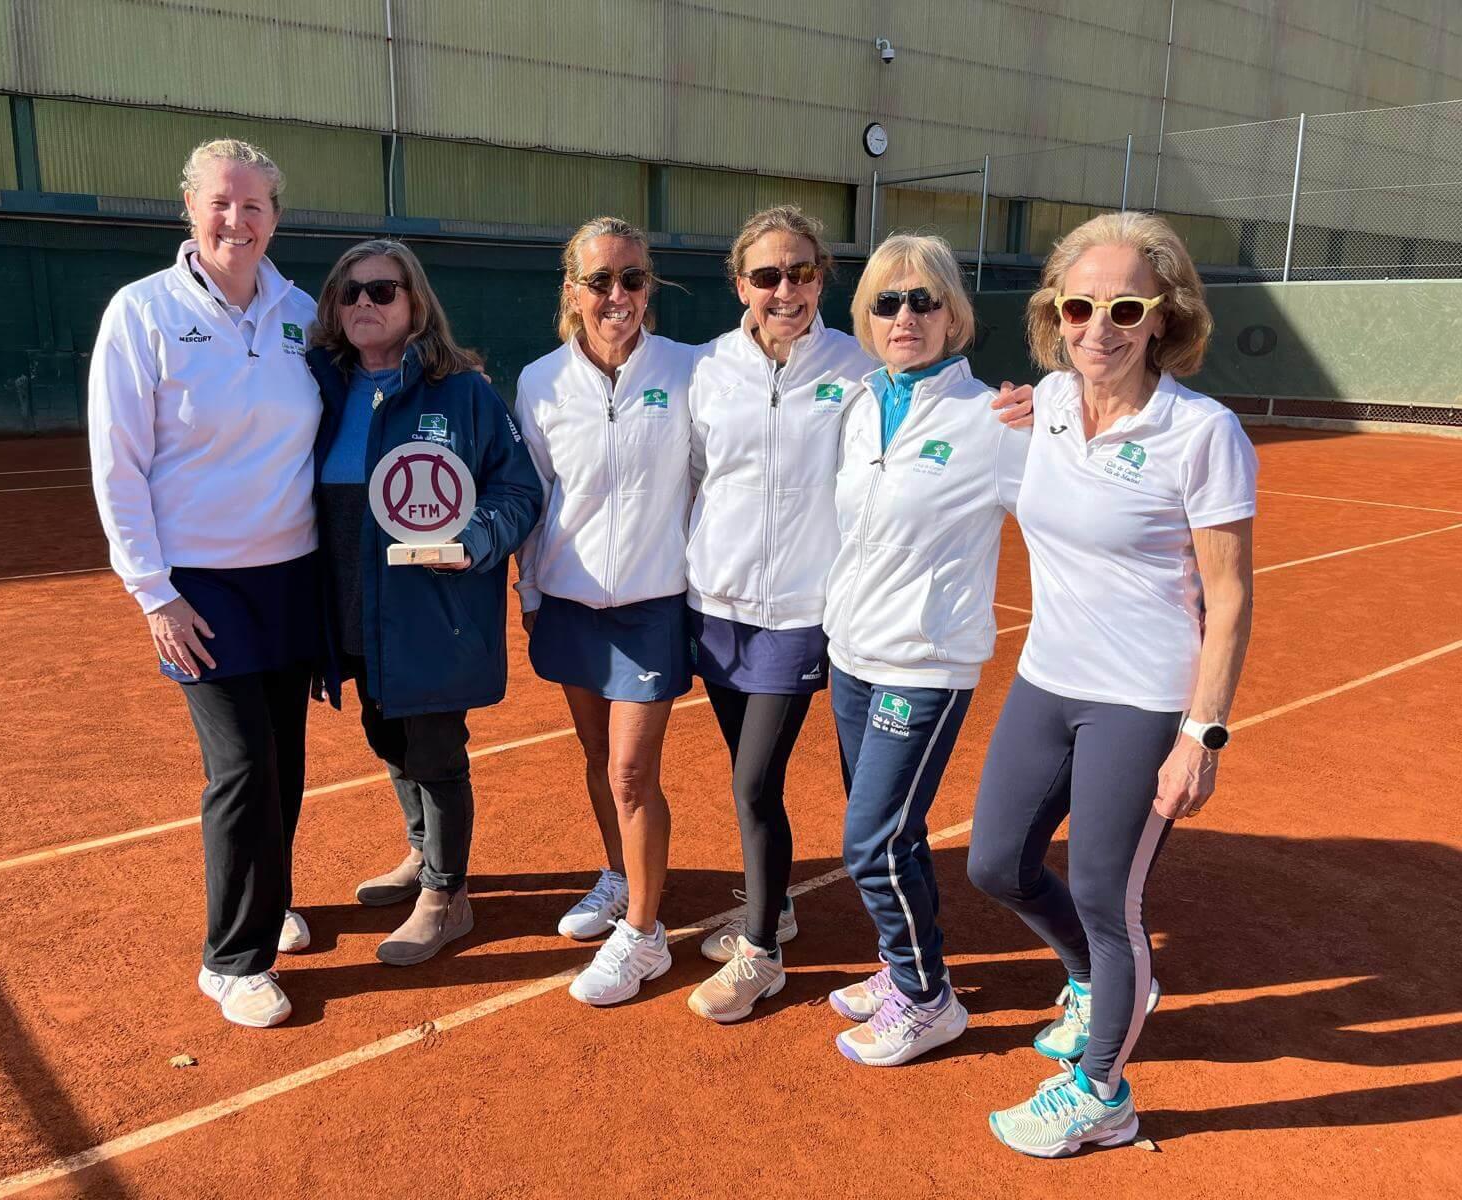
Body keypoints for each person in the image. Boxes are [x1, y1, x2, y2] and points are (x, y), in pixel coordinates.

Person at [683, 207, 1033, 1023]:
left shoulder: (856, 373)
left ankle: (764, 950)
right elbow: (691, 474)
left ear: (821, 280)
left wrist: (1039, 409)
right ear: (742, 285)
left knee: (761, 784)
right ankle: (813, 921)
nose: (784, 290)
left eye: (801, 273)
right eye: (766, 276)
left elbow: (1051, 485)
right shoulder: (720, 370)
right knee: (783, 791)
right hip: (735, 612)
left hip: (812, 616)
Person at [967, 212, 1255, 1156]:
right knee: (996, 865)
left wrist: (1201, 736)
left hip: (1143, 698)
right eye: (1079, 305)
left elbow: (1230, 595)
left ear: (1163, 316)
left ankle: (1103, 1092)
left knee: (1105, 894)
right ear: (1056, 311)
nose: (1101, 326)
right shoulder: (1047, 402)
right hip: (1047, 680)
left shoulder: (1202, 434)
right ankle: (1095, 979)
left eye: (1125, 306)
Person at [89, 139, 321, 1029]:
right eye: (221, 203)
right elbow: (119, 463)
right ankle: (231, 959)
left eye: (255, 205)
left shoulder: (301, 312)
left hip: (290, 578)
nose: (238, 220)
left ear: (276, 215)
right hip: (201, 588)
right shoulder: (141, 312)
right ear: (189, 209)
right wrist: (154, 591)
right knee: (243, 768)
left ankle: (269, 901)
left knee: (286, 765)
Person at [822, 234, 1030, 1066]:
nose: (905, 316)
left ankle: (926, 997)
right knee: (890, 834)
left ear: (954, 315)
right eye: (887, 301)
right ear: (868, 319)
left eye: (924, 300)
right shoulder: (861, 404)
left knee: (871, 840)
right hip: (853, 653)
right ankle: (900, 963)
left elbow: (1065, 512)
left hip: (923, 662)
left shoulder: (993, 420)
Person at [307, 239, 542, 966]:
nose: (365, 305)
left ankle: (447, 895)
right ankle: (420, 852)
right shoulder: (321, 388)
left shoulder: (462, 391)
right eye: (350, 294)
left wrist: (476, 538)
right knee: (386, 736)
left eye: (383, 291)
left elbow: (518, 489)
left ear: (415, 304)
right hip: (351, 602)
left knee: (435, 749)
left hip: (432, 607)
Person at [513, 216, 694, 1006]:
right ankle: (619, 876)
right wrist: (527, 588)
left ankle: (645, 937)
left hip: (653, 605)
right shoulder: (539, 382)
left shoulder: (691, 371)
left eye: (631, 279)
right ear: (573, 291)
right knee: (596, 760)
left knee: (630, 771)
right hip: (568, 601)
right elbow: (535, 495)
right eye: (600, 281)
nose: (616, 295)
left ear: (649, 288)